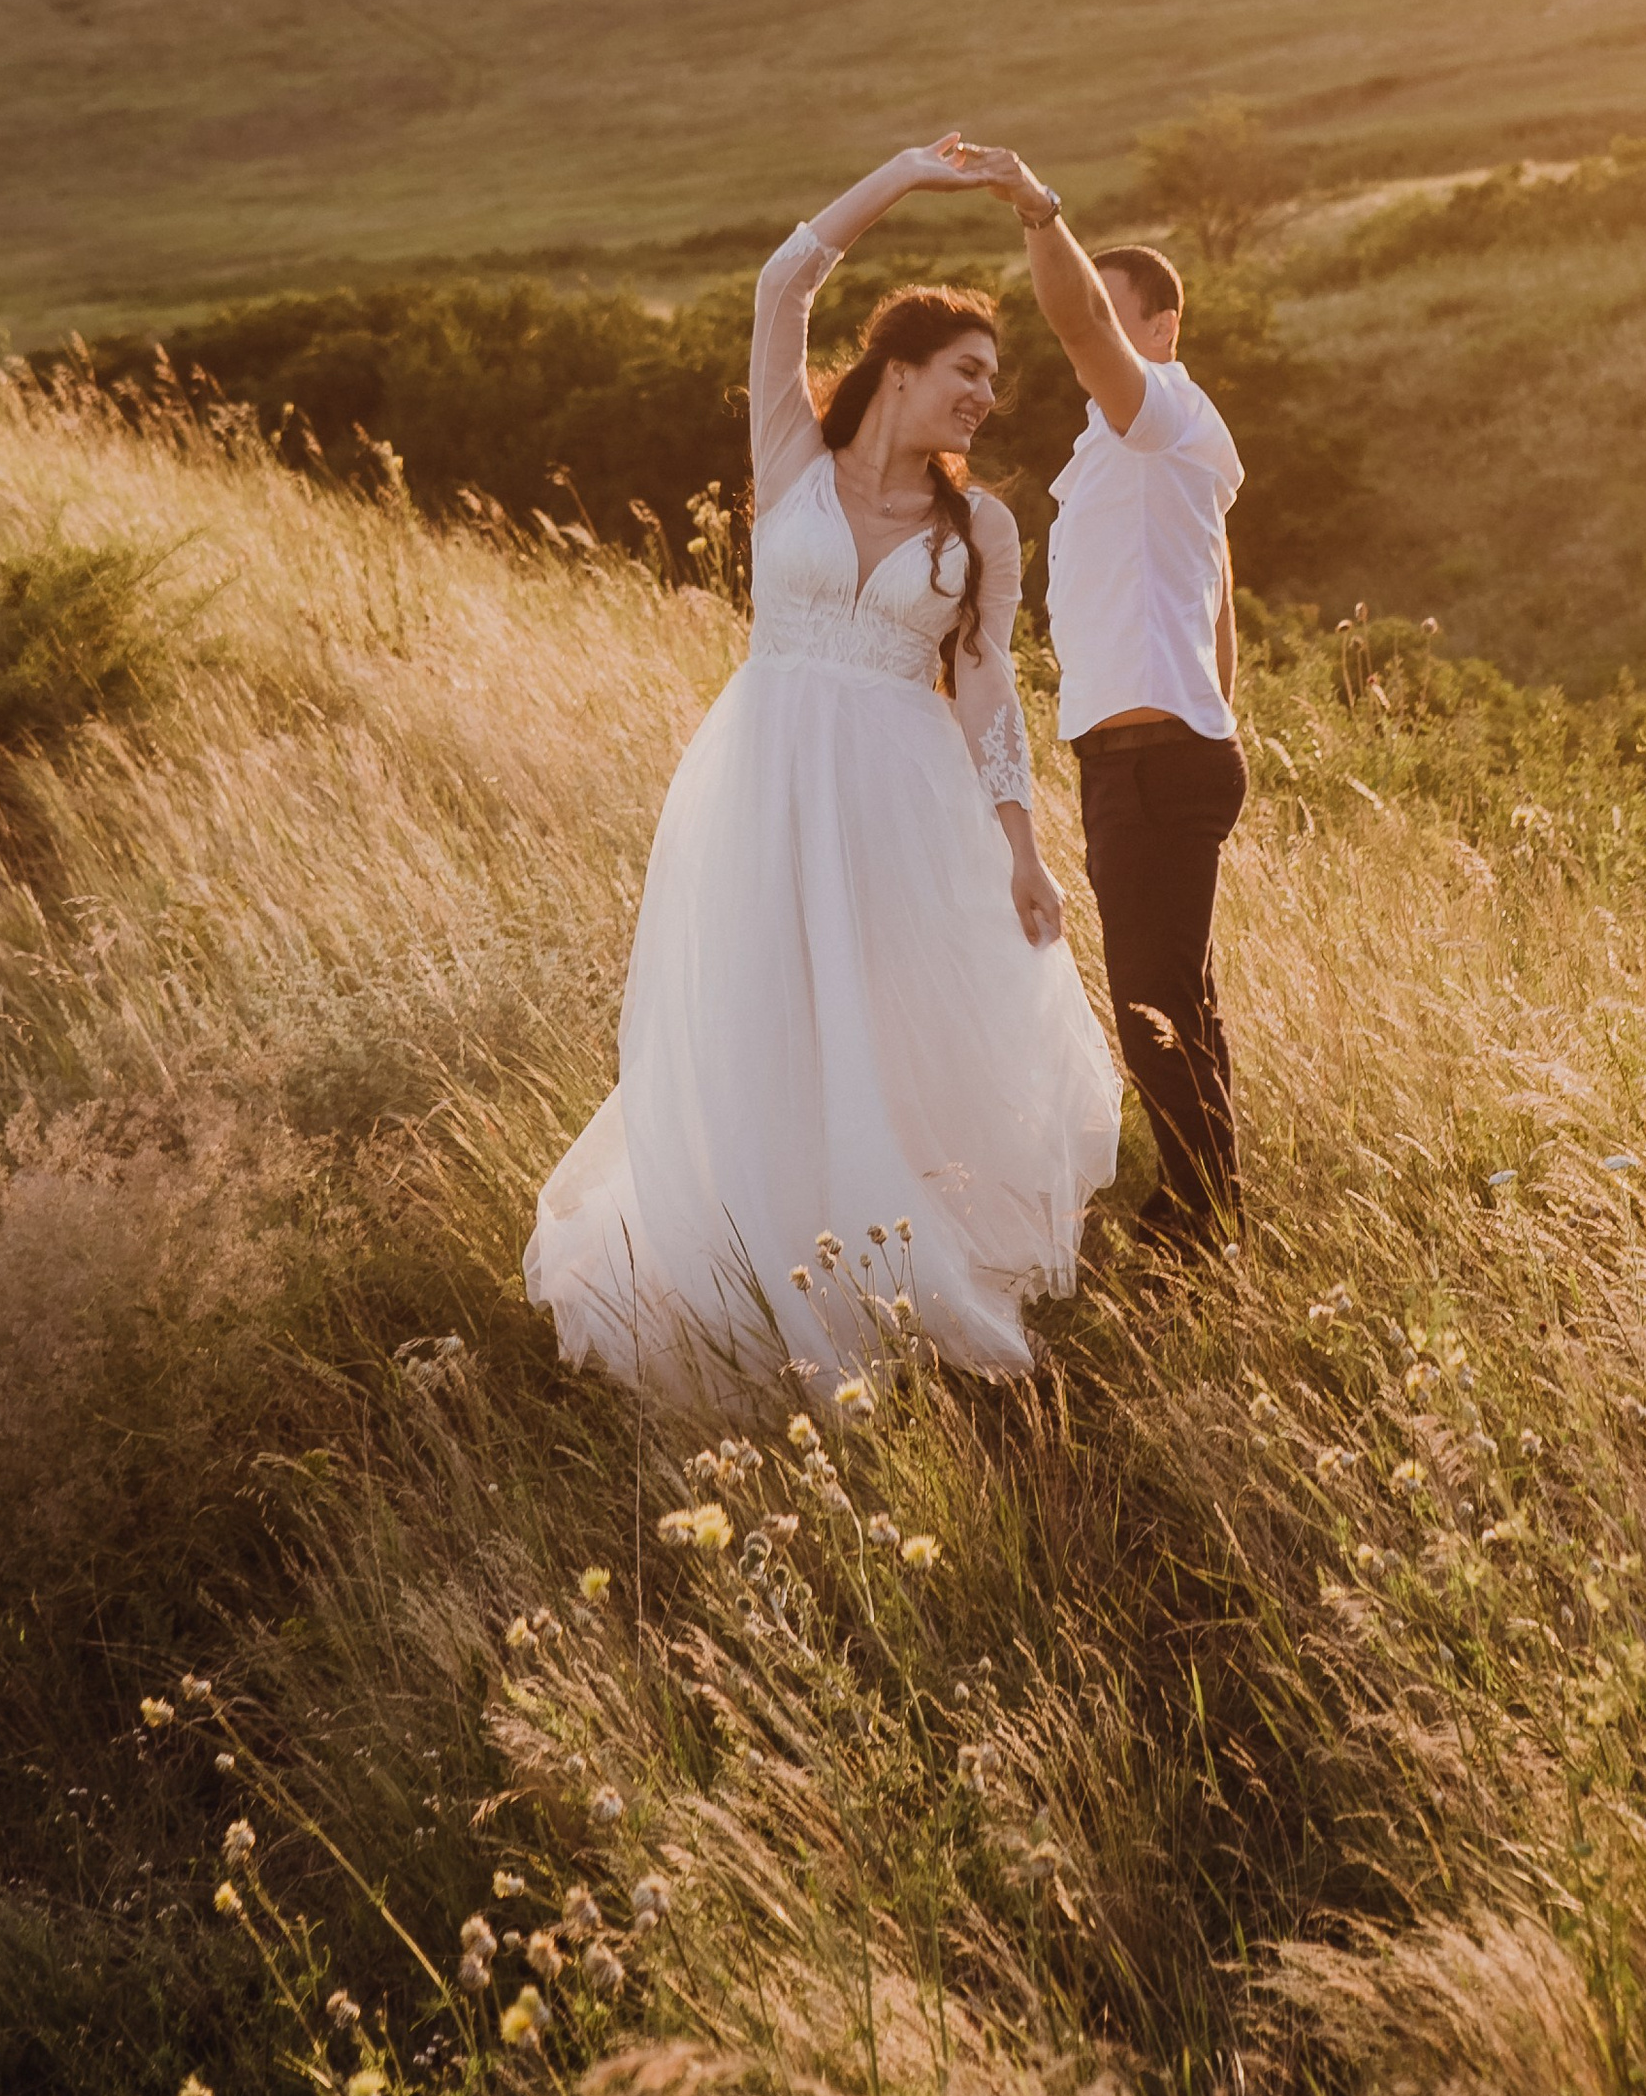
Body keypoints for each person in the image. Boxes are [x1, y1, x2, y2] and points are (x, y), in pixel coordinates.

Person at [525, 140, 1121, 1397]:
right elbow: (781, 287)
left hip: (904, 808)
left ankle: (889, 1285)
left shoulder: (983, 529)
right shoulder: (789, 458)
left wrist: (1023, 848)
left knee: (887, 1037)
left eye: (993, 382)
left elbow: (985, 689)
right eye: (966, 373)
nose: (983, 398)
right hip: (763, 782)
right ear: (896, 374)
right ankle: (746, 1277)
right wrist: (904, 176)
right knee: (762, 1019)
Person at [949, 146, 1248, 1258]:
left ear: (1160, 331)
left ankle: (1202, 1225)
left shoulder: (1157, 405)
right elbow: (1222, 585)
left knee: (1149, 1004)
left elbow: (1079, 325)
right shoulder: (1134, 447)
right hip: (1151, 755)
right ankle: (1202, 1208)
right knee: (1179, 997)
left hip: (1155, 759)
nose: (1099, 344)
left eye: (1123, 325)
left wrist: (1037, 211)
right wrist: (1218, 719)